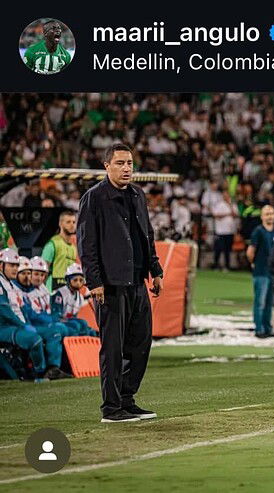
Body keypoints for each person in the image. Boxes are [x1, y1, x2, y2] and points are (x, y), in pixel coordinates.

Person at [77, 143, 163, 423]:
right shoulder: (94, 198)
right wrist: (95, 282)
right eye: (120, 163)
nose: (126, 168)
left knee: (140, 344)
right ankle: (111, 408)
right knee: (112, 348)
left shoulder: (137, 195)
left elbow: (146, 235)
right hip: (110, 285)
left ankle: (127, 400)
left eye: (129, 163)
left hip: (137, 282)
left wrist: (156, 270)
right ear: (107, 166)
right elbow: (86, 244)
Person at [0, 248, 56, 380]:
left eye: (16, 265)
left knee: (48, 334)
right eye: (11, 265)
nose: (15, 268)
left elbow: (22, 309)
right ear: (1, 265)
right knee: (34, 340)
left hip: (14, 325)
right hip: (4, 327)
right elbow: (5, 311)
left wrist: (26, 324)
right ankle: (39, 374)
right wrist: (22, 325)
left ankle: (36, 371)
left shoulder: (10, 284)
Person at [246, 205, 274, 338]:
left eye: (271, 213)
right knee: (260, 301)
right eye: (267, 214)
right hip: (261, 271)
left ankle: (267, 328)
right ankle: (259, 329)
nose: (270, 216)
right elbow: (250, 251)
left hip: (272, 272)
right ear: (262, 216)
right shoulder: (258, 231)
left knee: (269, 302)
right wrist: (253, 263)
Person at [51, 263, 97, 337]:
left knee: (88, 328)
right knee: (76, 326)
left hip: (69, 321)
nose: (78, 283)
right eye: (75, 280)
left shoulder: (79, 297)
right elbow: (55, 316)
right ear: (68, 280)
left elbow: (74, 316)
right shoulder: (60, 294)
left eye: (81, 280)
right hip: (58, 322)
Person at [42, 210, 78, 292]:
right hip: (53, 289)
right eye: (68, 222)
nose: (72, 225)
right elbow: (43, 270)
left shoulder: (73, 247)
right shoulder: (52, 244)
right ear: (60, 224)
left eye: (74, 222)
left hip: (69, 290)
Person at [211, 190, 239, 271]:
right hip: (221, 230)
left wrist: (230, 207)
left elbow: (236, 214)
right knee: (219, 248)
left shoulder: (232, 205)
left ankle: (227, 266)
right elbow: (216, 215)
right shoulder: (219, 205)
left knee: (228, 249)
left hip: (230, 230)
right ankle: (216, 265)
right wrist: (227, 214)